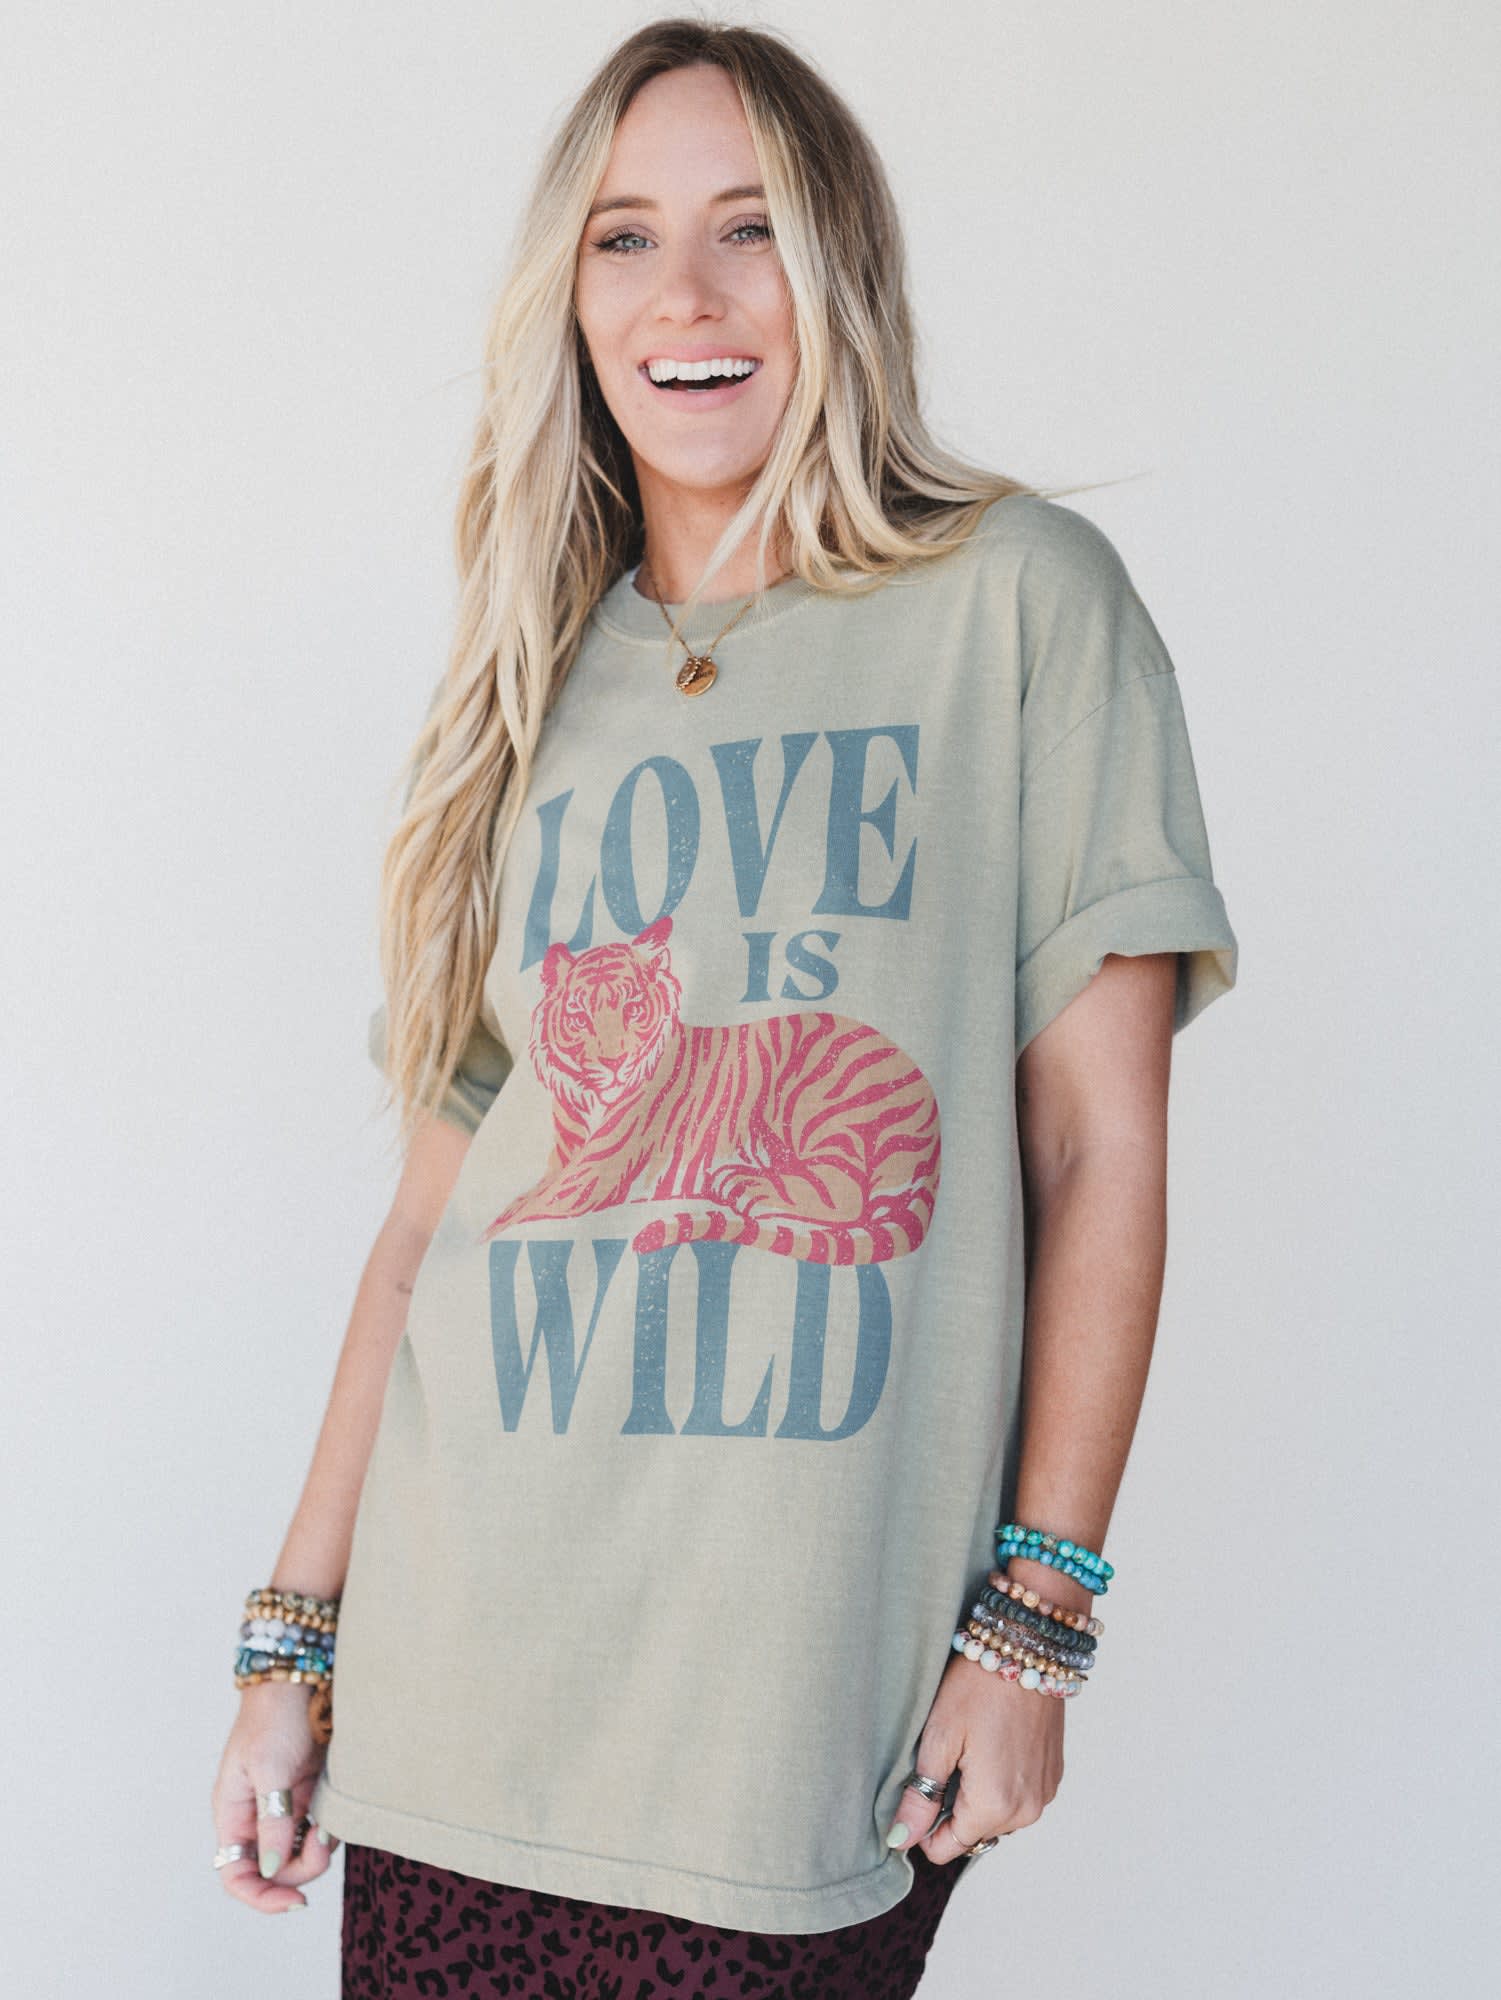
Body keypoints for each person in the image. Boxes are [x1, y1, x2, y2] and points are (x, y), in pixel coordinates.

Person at [210, 17, 1239, 1998]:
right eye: (623, 237)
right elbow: (429, 1223)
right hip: (457, 1681)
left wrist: (1036, 1622)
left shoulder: (1019, 602)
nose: (683, 292)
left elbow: (1092, 1146)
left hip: (789, 1707)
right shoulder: (528, 686)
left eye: (747, 227)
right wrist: (294, 1644)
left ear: (837, 266)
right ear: (567, 295)